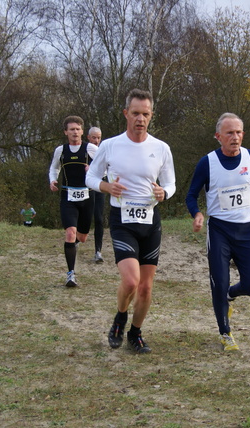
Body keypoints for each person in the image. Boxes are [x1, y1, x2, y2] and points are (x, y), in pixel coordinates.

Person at [86, 89, 176, 354]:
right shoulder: (110, 145)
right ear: (126, 113)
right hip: (122, 220)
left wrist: (164, 193)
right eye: (135, 113)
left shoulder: (161, 148)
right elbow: (89, 178)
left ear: (151, 116)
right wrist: (106, 186)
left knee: (146, 288)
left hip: (150, 221)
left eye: (145, 114)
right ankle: (120, 316)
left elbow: (170, 183)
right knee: (130, 282)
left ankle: (135, 333)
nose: (140, 119)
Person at [185, 113, 250, 352]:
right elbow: (191, 195)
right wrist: (197, 214)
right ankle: (225, 333)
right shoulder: (207, 162)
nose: (235, 137)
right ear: (218, 137)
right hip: (220, 231)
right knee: (219, 281)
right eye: (230, 133)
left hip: (247, 231)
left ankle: (231, 295)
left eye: (239, 132)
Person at [49, 115, 97, 288]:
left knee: (81, 238)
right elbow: (54, 167)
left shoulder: (90, 148)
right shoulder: (60, 150)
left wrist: (93, 169)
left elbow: (107, 167)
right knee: (70, 232)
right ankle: (70, 274)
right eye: (71, 129)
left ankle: (74, 245)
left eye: (77, 129)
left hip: (87, 196)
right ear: (66, 132)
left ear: (82, 131)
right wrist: (52, 180)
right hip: (67, 196)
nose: (75, 132)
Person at [88, 126, 106, 263]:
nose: (96, 140)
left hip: (100, 187)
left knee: (99, 219)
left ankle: (98, 251)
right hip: (85, 188)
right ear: (88, 137)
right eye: (94, 137)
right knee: (84, 218)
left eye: (98, 137)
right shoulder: (84, 150)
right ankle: (75, 240)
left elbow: (108, 169)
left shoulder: (103, 151)